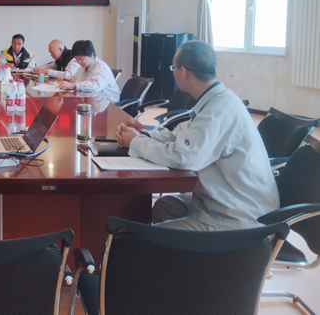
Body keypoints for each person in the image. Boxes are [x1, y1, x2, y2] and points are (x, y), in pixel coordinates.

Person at [115, 40, 279, 231]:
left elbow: (183, 157)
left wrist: (136, 142)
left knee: (148, 237)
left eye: (173, 68)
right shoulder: (213, 101)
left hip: (238, 218)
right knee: (164, 207)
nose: (173, 72)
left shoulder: (218, 111)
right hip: (220, 200)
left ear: (184, 72)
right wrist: (142, 135)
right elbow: (178, 136)